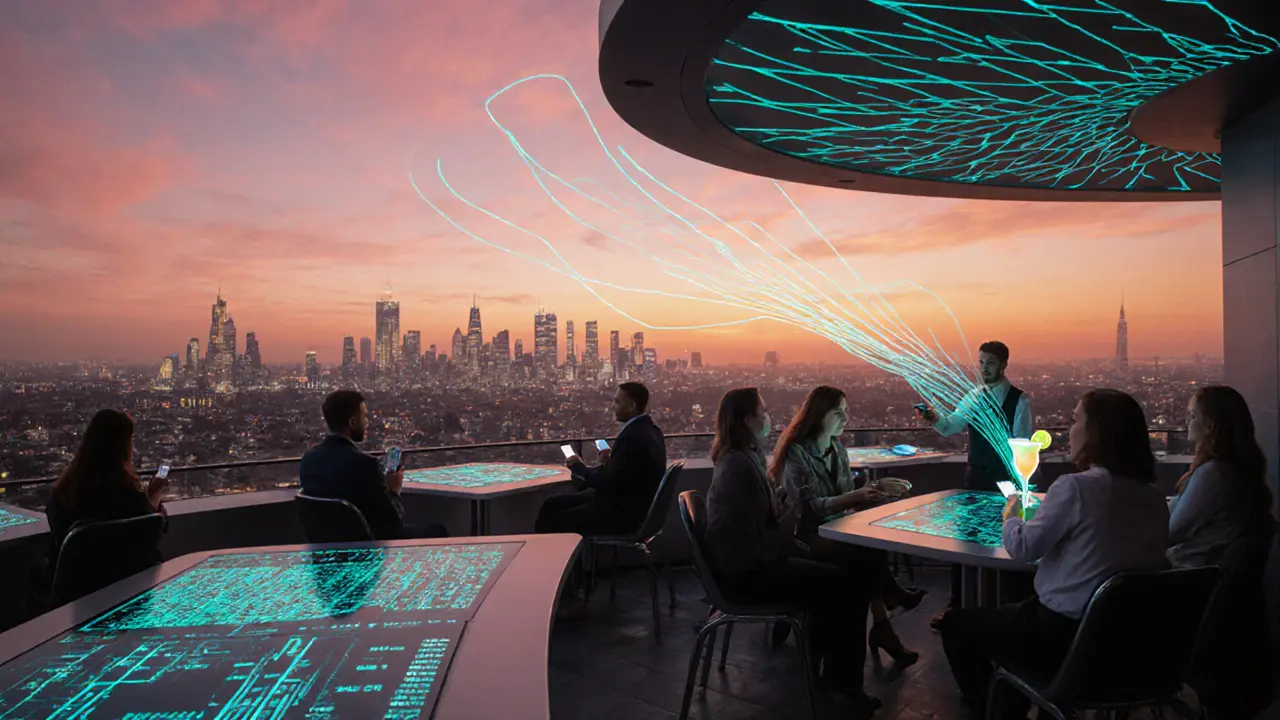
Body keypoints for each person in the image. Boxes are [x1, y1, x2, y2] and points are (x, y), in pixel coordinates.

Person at [939, 389, 1169, 719]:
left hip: (1061, 638)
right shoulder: (1153, 499)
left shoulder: (1076, 487)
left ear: (1097, 432)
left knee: (958, 625)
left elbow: (1022, 548)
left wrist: (1012, 514)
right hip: (1128, 647)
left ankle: (997, 707)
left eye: (1076, 420)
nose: (1069, 429)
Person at [704, 387, 878, 717]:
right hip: (748, 575)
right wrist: (786, 519)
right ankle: (842, 684)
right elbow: (759, 536)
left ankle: (827, 670)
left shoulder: (742, 458)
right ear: (747, 420)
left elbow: (758, 524)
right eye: (764, 411)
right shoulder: (740, 466)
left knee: (849, 572)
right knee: (847, 585)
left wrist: (780, 515)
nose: (769, 417)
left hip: (751, 563)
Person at [771, 385, 923, 666]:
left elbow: (843, 494)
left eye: (846, 412)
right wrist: (859, 494)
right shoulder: (796, 454)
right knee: (865, 553)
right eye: (838, 412)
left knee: (866, 548)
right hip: (806, 536)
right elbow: (811, 507)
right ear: (819, 415)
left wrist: (874, 487)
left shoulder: (837, 449)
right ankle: (886, 609)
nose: (845, 418)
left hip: (837, 529)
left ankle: (882, 624)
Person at [1168, 385, 1276, 718]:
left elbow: (1170, 533)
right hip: (1211, 590)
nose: (1187, 419)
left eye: (1192, 414)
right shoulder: (1237, 472)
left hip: (1187, 586)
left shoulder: (1213, 474)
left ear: (1211, 425)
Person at [918, 340, 1034, 624]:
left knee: (1007, 542)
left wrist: (1021, 488)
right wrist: (933, 417)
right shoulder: (973, 396)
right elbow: (950, 427)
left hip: (1005, 482)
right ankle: (958, 604)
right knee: (967, 540)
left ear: (1004, 364)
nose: (984, 368)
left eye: (990, 362)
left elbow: (1022, 444)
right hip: (977, 476)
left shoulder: (1020, 400)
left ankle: (1008, 608)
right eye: (981, 362)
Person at [299, 390, 446, 540]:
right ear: (352, 422)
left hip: (327, 551)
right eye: (364, 416)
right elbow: (393, 524)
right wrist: (393, 490)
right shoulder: (365, 465)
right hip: (369, 550)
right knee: (437, 530)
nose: (367, 422)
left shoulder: (308, 460)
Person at [535, 382, 667, 536]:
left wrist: (578, 467)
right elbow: (628, 473)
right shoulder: (652, 431)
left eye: (617, 402)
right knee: (552, 505)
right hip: (634, 508)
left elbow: (607, 483)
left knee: (552, 516)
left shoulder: (632, 436)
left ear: (631, 405)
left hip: (619, 514)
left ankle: (555, 559)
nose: (613, 406)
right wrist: (610, 462)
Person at [47, 409, 168, 569]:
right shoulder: (128, 496)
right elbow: (146, 535)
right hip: (128, 584)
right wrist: (152, 497)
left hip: (77, 587)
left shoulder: (63, 493)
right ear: (123, 448)